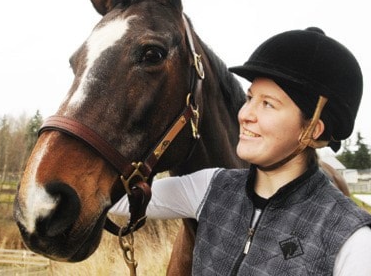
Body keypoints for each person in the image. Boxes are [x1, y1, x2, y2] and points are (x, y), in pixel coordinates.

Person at [111, 27, 371, 275]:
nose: (245, 115)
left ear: (313, 129)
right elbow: (114, 196)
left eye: (268, 104)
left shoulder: (353, 242)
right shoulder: (210, 188)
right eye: (249, 98)